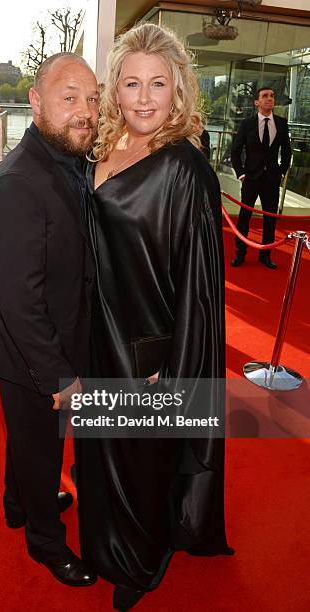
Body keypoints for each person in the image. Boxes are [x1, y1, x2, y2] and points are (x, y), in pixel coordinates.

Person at [75, 23, 233, 611]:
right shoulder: (103, 150)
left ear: (178, 92)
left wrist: (178, 366)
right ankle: (105, 545)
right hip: (97, 333)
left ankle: (141, 563)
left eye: (157, 84)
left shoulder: (186, 169)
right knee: (101, 450)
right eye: (132, 83)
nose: (144, 98)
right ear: (115, 89)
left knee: (142, 461)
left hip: (148, 346)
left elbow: (200, 287)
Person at [0, 52, 99, 587]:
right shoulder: (17, 183)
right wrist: (61, 376)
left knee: (28, 441)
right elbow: (21, 300)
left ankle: (17, 502)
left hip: (55, 336)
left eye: (92, 99)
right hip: (33, 353)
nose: (85, 111)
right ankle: (45, 543)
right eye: (69, 97)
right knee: (42, 443)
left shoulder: (68, 160)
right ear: (35, 101)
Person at [230, 87, 292, 269]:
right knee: (244, 217)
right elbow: (236, 151)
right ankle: (240, 253)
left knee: (270, 219)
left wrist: (281, 171)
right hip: (251, 178)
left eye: (272, 96)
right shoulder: (247, 124)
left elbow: (287, 152)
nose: (269, 99)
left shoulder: (281, 123)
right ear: (256, 102)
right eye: (265, 96)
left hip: (272, 179)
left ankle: (265, 255)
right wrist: (241, 173)